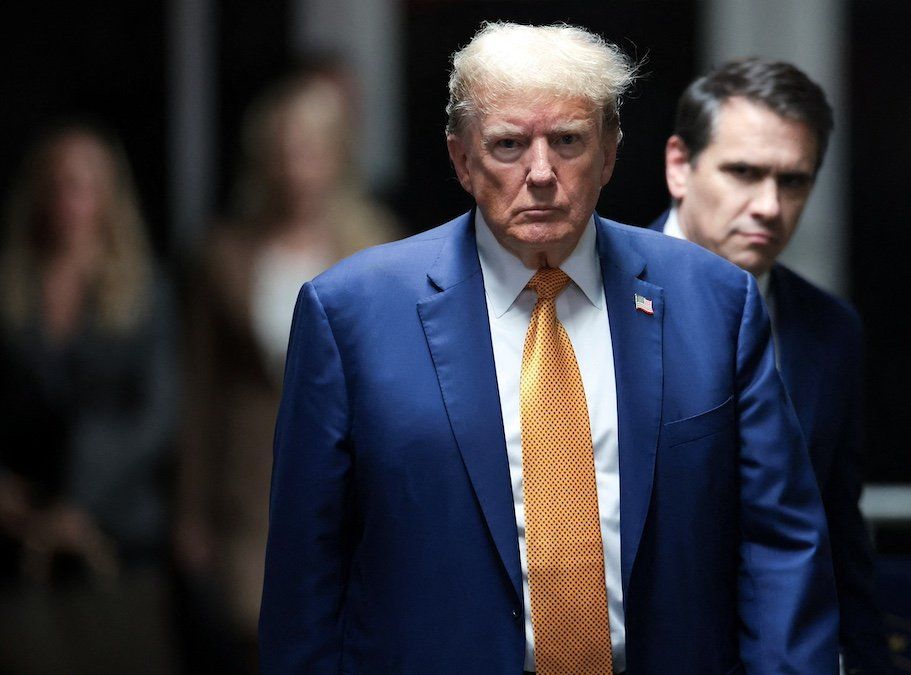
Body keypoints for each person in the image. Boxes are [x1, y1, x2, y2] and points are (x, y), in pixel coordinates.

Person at [259, 22, 838, 674]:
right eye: (508, 145)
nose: (540, 173)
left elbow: (779, 544)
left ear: (611, 150)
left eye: (568, 141)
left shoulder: (713, 303)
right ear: (462, 159)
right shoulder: (352, 314)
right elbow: (304, 576)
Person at [648, 58, 891, 673]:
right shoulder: (590, 295)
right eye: (744, 173)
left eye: (793, 181)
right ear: (681, 165)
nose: (768, 205)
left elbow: (837, 530)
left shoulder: (829, 329)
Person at [174, 67, 397, 672]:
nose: (296, 164)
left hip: (355, 484)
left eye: (309, 148)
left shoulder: (377, 248)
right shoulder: (224, 255)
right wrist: (190, 514)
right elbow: (200, 393)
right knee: (259, 639)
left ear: (335, 156)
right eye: (283, 150)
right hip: (249, 487)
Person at [0, 122, 178, 673]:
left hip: (115, 536)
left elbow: (157, 414)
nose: (67, 201)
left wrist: (78, 500)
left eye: (82, 185)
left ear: (108, 196)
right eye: (55, 185)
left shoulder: (143, 289)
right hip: (14, 539)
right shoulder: (10, 284)